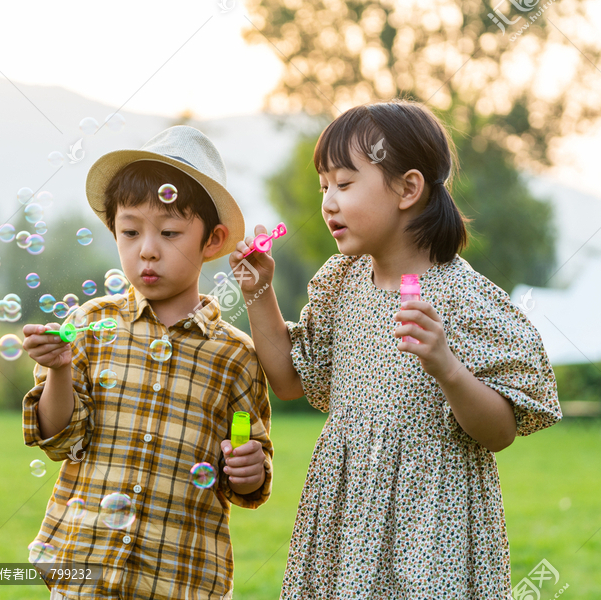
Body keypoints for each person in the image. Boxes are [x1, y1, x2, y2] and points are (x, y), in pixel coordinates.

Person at [229, 100, 562, 599]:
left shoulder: (463, 297)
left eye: (344, 183)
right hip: (347, 516)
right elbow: (290, 381)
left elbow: (500, 433)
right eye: (324, 187)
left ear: (408, 188)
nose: (328, 202)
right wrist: (258, 291)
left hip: (432, 528)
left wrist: (446, 366)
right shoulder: (339, 284)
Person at [22, 126, 273, 600]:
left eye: (170, 232)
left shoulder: (236, 356)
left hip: (179, 579)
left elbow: (248, 465)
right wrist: (57, 369)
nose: (147, 249)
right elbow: (58, 438)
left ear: (213, 240)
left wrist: (249, 469)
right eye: (130, 231)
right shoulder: (88, 326)